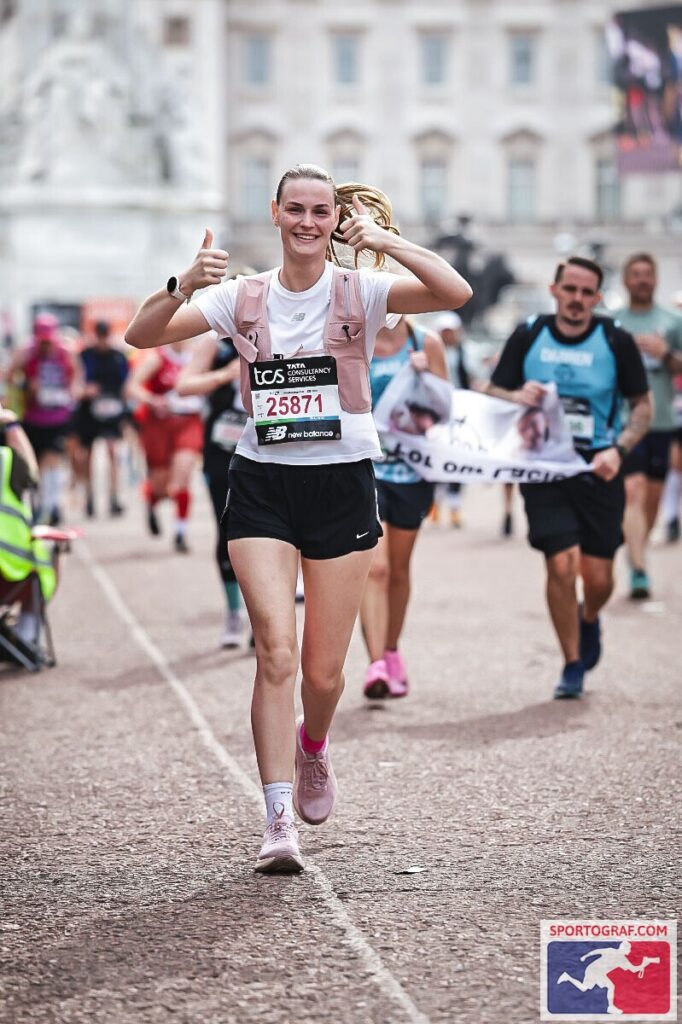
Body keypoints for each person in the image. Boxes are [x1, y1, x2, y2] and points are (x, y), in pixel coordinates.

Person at [125, 163, 472, 873]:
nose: (309, 223)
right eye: (297, 210)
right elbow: (141, 336)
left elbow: (453, 291)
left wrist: (381, 239)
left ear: (332, 218)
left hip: (341, 482)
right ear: (277, 213)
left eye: (322, 211)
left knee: (323, 674)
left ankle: (314, 745)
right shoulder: (241, 295)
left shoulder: (363, 290)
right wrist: (183, 283)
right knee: (275, 652)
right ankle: (277, 819)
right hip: (262, 487)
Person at [487, 256, 651, 699]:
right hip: (545, 469)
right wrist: (516, 394)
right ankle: (572, 663)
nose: (577, 299)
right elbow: (492, 389)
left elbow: (642, 405)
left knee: (598, 579)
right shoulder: (529, 334)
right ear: (555, 290)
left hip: (599, 469)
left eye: (586, 293)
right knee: (560, 564)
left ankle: (590, 616)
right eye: (570, 290)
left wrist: (619, 451)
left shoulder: (615, 339)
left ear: (597, 298)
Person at [360, 316, 447, 699]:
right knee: (374, 568)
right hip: (365, 469)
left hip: (413, 472)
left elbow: (447, 410)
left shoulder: (425, 341)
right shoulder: (353, 334)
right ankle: (375, 663)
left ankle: (393, 650)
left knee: (397, 569)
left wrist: (427, 379)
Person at [176, 328, 252, 648]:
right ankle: (235, 614)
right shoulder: (216, 343)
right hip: (223, 450)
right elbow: (184, 386)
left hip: (271, 446)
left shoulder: (281, 332)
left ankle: (265, 617)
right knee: (229, 532)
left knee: (274, 534)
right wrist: (225, 375)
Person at [612, 253, 682, 598]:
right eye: (636, 274)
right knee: (633, 490)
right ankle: (638, 569)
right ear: (626, 281)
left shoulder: (672, 321)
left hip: (662, 420)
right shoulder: (613, 322)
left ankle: (637, 551)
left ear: (655, 280)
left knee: (652, 500)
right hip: (625, 421)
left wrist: (665, 353)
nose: (642, 280)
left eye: (648, 274)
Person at [125, 341, 204, 553]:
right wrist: (152, 400)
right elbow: (131, 387)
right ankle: (151, 501)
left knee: (182, 479)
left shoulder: (198, 354)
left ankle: (180, 532)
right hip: (159, 426)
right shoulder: (157, 358)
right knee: (161, 487)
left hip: (188, 422)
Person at [4, 313, 81, 526]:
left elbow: (77, 376)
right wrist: (27, 385)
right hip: (33, 417)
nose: (46, 345)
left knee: (53, 458)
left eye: (49, 340)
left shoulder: (66, 352)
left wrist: (71, 393)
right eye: (42, 341)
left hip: (58, 416)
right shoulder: (26, 353)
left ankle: (52, 505)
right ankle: (39, 504)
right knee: (35, 464)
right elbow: (9, 377)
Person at [0, 402, 57, 654]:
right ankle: (26, 635)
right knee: (52, 548)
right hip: (9, 575)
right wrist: (12, 425)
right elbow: (33, 474)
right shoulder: (7, 462)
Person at [70, 320, 130, 518]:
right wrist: (85, 391)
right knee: (86, 455)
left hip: (112, 410)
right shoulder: (85, 355)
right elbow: (77, 380)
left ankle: (114, 496)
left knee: (113, 451)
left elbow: (126, 382)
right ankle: (89, 496)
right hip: (89, 411)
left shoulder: (118, 356)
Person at [432, 310, 469, 527]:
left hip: (459, 412)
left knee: (457, 458)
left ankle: (454, 506)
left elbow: (472, 378)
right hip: (436, 413)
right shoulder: (429, 351)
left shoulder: (465, 353)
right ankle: (435, 502)